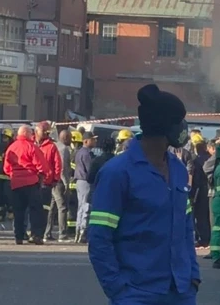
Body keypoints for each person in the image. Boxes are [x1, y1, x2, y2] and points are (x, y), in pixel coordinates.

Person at [88, 84, 200, 304]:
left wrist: (192, 276)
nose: (183, 128)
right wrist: (118, 289)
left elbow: (186, 227)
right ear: (165, 127)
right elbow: (99, 238)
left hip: (180, 291)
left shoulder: (177, 169)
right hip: (135, 294)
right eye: (179, 122)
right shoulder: (117, 173)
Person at [3, 125, 52, 245]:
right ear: (27, 133)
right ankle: (36, 235)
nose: (33, 135)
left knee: (18, 211)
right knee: (36, 210)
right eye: (31, 133)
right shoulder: (31, 147)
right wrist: (43, 175)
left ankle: (18, 236)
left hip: (15, 183)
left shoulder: (11, 147)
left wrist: (13, 175)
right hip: (31, 182)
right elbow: (42, 165)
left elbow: (6, 168)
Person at [35, 121, 63, 242]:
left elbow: (58, 164)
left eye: (47, 133)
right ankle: (34, 231)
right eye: (44, 132)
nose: (46, 134)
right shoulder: (32, 144)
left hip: (46, 183)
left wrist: (55, 179)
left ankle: (42, 233)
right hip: (33, 182)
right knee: (34, 208)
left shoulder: (51, 147)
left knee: (45, 209)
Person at [45, 129, 71, 242]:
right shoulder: (64, 149)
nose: (71, 139)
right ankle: (62, 234)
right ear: (65, 138)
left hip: (51, 180)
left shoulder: (53, 146)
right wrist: (66, 183)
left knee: (52, 208)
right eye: (70, 137)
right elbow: (63, 167)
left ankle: (47, 233)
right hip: (59, 181)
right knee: (62, 207)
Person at [74, 131, 96, 244]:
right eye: (93, 139)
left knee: (81, 207)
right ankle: (83, 233)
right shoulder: (87, 154)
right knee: (86, 207)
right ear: (86, 141)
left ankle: (78, 231)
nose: (95, 141)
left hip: (79, 181)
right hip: (85, 182)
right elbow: (90, 170)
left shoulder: (79, 152)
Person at [189, 134, 210, 249]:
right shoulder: (209, 157)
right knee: (206, 215)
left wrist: (192, 193)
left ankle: (203, 238)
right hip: (208, 190)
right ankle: (206, 237)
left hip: (200, 190)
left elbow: (195, 178)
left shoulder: (196, 160)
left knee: (200, 216)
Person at [0, 127, 15, 222]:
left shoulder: (13, 148)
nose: (4, 140)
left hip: (9, 176)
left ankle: (11, 211)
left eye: (6, 138)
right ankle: (0, 214)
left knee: (9, 195)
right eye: (3, 138)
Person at [67, 130, 83, 235]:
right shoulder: (80, 153)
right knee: (77, 208)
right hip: (77, 184)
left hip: (72, 184)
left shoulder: (73, 153)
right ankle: (73, 229)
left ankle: (71, 230)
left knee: (72, 208)